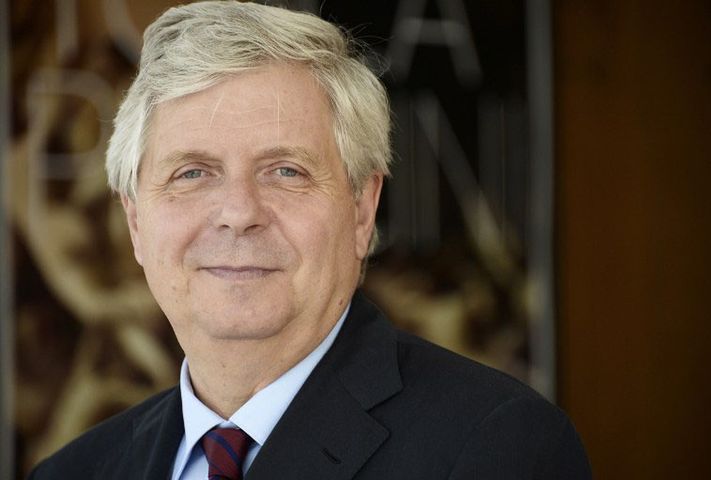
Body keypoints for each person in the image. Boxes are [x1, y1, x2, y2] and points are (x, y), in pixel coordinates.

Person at [28, 2, 591, 479]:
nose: (238, 213)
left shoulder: (499, 449)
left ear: (362, 210)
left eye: (286, 171)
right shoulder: (74, 470)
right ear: (135, 223)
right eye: (192, 173)